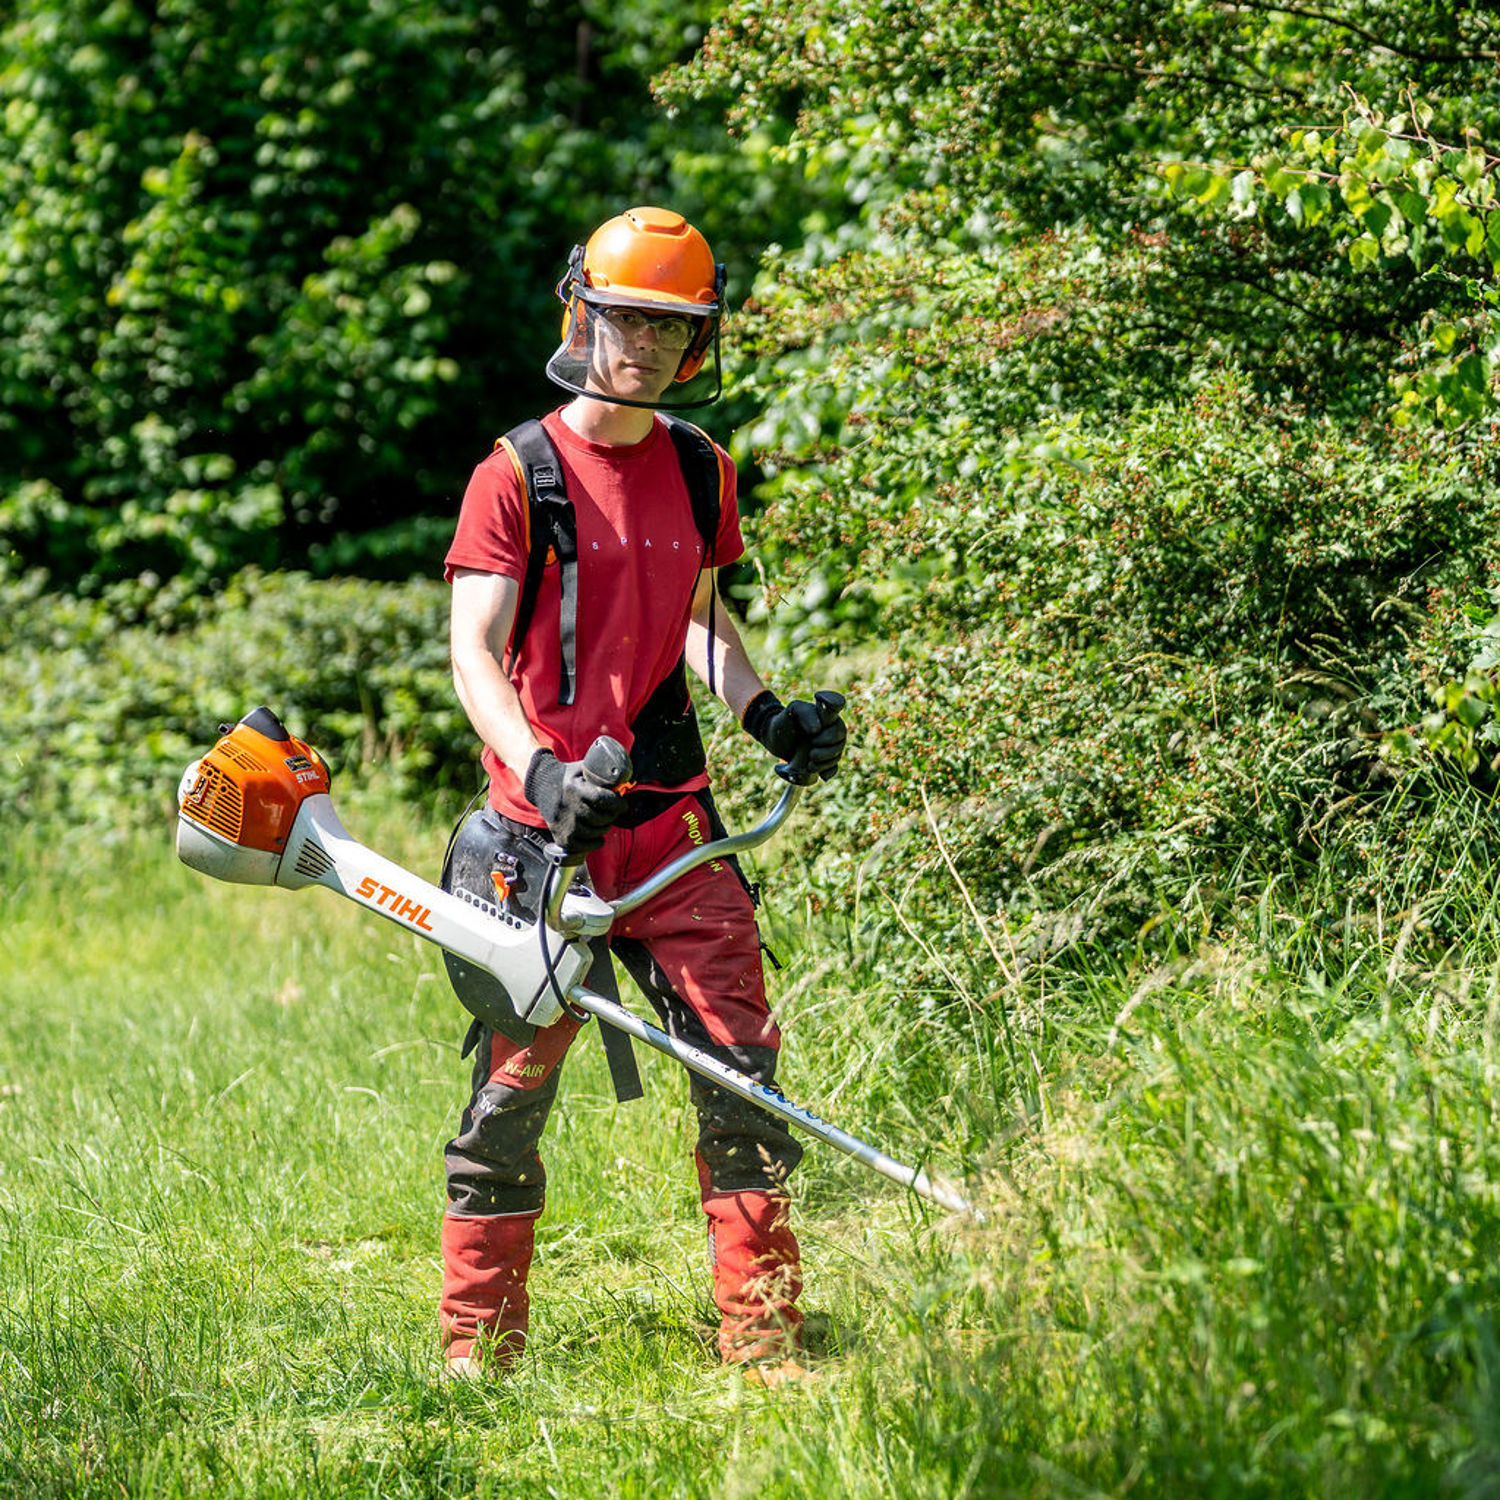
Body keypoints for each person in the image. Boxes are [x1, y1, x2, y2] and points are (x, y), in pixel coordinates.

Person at [438, 205, 846, 1381]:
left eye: (673, 328)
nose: (647, 346)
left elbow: (701, 623)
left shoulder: (700, 466)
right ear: (584, 312)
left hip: (676, 829)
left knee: (742, 1081)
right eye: (627, 319)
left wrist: (769, 713)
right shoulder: (516, 473)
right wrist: (540, 771)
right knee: (509, 1099)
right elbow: (475, 652)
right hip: (542, 840)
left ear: (697, 340)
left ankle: (762, 1343)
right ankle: (477, 1353)